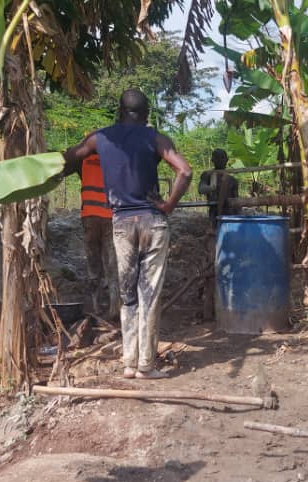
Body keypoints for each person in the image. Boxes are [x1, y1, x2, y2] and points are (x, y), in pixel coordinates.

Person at [63, 89, 192, 380]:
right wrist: (169, 205)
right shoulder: (155, 138)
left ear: (119, 111)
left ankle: (129, 363)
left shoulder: (100, 138)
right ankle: (147, 365)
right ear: (146, 113)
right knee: (149, 295)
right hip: (152, 222)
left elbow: (69, 157)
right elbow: (184, 171)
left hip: (121, 223)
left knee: (128, 294)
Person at [64, 152, 119, 317]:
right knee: (112, 262)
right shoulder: (114, 158)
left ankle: (96, 306)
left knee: (93, 262)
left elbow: (64, 165)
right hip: (109, 217)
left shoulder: (82, 160)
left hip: (89, 217)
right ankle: (114, 306)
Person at [198, 149, 239, 227]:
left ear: (227, 160)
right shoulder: (207, 175)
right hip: (214, 211)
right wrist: (212, 188)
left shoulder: (233, 180)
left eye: (222, 158)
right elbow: (201, 189)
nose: (220, 160)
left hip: (230, 212)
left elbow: (236, 201)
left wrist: (239, 217)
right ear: (213, 160)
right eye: (217, 158)